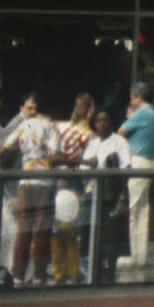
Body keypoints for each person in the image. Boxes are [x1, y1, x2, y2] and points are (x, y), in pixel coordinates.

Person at [1, 93, 62, 287]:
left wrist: (6, 166)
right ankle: (39, 277)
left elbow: (4, 151)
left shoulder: (23, 125)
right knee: (42, 231)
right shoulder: (50, 126)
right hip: (44, 183)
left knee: (24, 231)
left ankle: (17, 276)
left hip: (25, 183)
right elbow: (54, 156)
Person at [82, 109, 133, 284]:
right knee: (92, 235)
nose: (102, 124)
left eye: (105, 120)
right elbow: (82, 169)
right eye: (98, 121)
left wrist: (122, 198)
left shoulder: (119, 142)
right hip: (92, 193)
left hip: (111, 194)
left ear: (111, 122)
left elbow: (126, 169)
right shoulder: (92, 143)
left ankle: (110, 273)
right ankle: (95, 272)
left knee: (111, 236)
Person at [51, 94, 95, 283]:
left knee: (72, 229)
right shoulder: (65, 127)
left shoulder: (88, 132)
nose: (79, 108)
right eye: (77, 105)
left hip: (76, 179)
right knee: (58, 228)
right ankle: (59, 271)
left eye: (82, 105)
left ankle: (73, 270)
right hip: (64, 177)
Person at [118, 84, 154, 269]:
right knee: (143, 210)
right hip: (149, 162)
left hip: (137, 160)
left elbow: (120, 133)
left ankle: (134, 256)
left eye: (132, 98)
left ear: (139, 97)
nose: (131, 101)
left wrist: (129, 119)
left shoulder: (141, 113)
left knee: (134, 211)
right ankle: (140, 256)